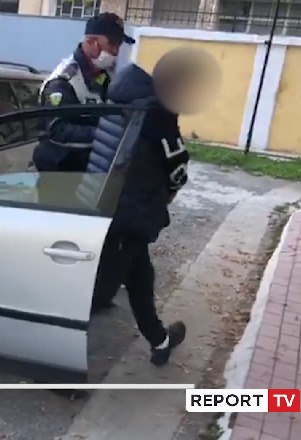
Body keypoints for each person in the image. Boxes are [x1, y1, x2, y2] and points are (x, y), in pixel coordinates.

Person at [80, 50, 207, 365]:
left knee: (140, 278)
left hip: (104, 204)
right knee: (93, 295)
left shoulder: (125, 96)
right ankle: (63, 366)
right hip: (125, 216)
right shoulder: (157, 115)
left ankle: (160, 342)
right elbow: (178, 170)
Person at [32, 12, 135, 174]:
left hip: (89, 170)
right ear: (90, 42)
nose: (116, 52)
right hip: (59, 172)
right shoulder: (63, 81)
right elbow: (58, 130)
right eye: (112, 44)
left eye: (119, 45)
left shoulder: (104, 76)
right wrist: (104, 135)